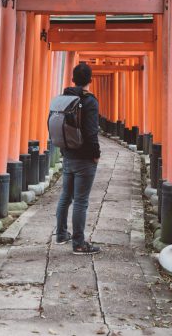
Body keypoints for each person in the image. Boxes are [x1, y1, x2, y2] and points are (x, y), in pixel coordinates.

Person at [55, 62, 101, 255]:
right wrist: (96, 154)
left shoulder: (63, 98)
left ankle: (61, 234)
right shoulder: (89, 101)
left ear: (73, 79)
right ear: (90, 80)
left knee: (66, 196)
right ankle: (79, 244)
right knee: (81, 200)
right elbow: (91, 132)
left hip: (67, 154)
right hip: (84, 158)